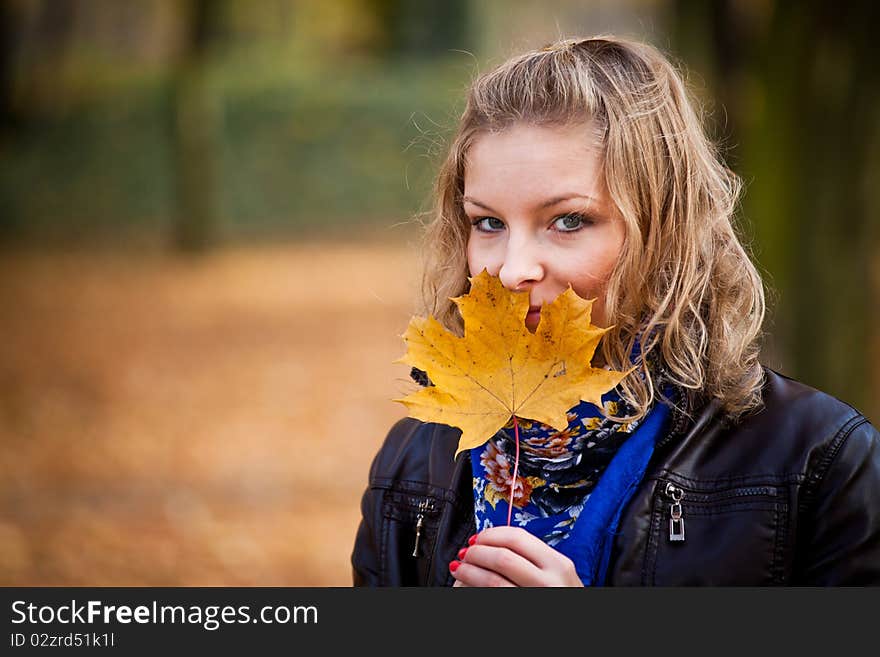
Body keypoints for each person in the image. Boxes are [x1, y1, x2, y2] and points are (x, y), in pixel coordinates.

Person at [351, 35, 880, 586]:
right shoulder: (414, 465)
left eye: (569, 221)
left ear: (664, 230)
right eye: (488, 223)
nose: (512, 270)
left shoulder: (818, 460)